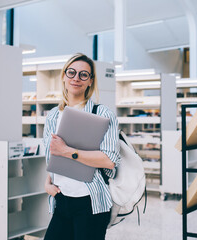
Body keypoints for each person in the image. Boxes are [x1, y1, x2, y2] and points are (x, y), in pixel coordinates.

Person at [43, 53, 120, 240]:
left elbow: (109, 161)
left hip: (90, 203)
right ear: (63, 76)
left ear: (90, 81)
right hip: (61, 200)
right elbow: (52, 156)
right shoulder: (53, 116)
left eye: (83, 75)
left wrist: (67, 151)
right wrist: (48, 181)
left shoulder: (102, 113)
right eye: (71, 72)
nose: (76, 78)